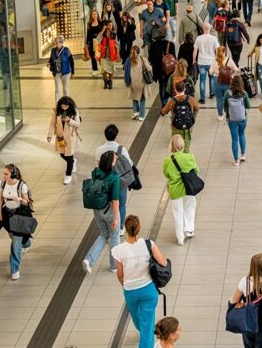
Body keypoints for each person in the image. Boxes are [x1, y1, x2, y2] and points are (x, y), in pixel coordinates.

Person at [112, 215, 168, 348]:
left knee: (138, 319)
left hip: (130, 291)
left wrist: (127, 285)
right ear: (139, 228)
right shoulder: (148, 244)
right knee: (146, 326)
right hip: (148, 290)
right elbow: (163, 262)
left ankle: (143, 330)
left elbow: (120, 275)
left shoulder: (119, 250)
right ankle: (145, 331)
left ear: (125, 229)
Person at [82, 151, 121, 275]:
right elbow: (115, 200)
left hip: (97, 209)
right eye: (114, 159)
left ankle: (89, 259)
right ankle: (114, 266)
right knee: (114, 236)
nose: (116, 161)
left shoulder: (95, 172)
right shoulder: (114, 177)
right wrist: (115, 218)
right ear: (111, 163)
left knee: (104, 235)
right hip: (109, 209)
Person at [0, 164, 32, 280]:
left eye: (6, 174)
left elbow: (27, 202)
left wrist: (20, 199)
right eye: (4, 173)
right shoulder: (2, 183)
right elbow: (1, 198)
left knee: (16, 243)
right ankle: (26, 243)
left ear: (13, 174)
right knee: (14, 238)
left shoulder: (22, 186)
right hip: (7, 215)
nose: (4, 176)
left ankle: (15, 269)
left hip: (19, 216)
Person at [96, 125, 134, 231]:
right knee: (121, 203)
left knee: (108, 203)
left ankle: (109, 224)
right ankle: (120, 227)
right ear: (116, 135)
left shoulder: (99, 150)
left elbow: (97, 165)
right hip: (120, 181)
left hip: (105, 182)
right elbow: (129, 163)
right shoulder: (121, 149)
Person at [163, 134, 199, 245]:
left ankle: (180, 238)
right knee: (189, 207)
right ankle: (189, 229)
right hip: (188, 188)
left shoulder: (168, 160)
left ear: (171, 146)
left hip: (175, 190)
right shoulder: (189, 157)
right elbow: (196, 170)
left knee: (177, 213)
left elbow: (166, 174)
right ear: (182, 144)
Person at [47, 96, 82, 185]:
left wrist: (69, 120)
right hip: (61, 137)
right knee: (62, 154)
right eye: (62, 106)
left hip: (70, 138)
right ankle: (73, 162)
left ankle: (68, 175)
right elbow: (52, 123)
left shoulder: (74, 111)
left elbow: (78, 124)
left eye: (66, 106)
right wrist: (49, 135)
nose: (64, 108)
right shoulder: (57, 111)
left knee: (69, 156)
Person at [161, 80, 199, 151]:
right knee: (186, 148)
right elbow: (197, 109)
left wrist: (163, 111)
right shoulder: (191, 99)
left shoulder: (172, 100)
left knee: (175, 148)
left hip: (175, 127)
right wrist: (193, 118)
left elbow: (164, 111)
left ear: (175, 89)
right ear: (184, 89)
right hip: (188, 127)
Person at [224, 75, 251, 166]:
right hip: (242, 118)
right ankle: (243, 155)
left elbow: (225, 107)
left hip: (232, 120)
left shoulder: (227, 94)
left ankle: (236, 160)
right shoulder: (244, 94)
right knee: (242, 134)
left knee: (234, 139)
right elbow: (248, 106)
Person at [212, 46, 239, 122]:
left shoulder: (215, 61)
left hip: (217, 82)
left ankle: (220, 116)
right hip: (227, 83)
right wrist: (231, 75)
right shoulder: (229, 60)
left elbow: (210, 72)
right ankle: (228, 114)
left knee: (219, 99)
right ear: (225, 52)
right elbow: (236, 70)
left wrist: (216, 72)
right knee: (228, 99)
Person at [149, 36, 176, 106]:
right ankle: (167, 100)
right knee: (168, 84)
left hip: (158, 69)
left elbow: (150, 58)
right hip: (169, 69)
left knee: (162, 85)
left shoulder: (153, 45)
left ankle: (163, 102)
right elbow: (174, 57)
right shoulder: (171, 44)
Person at [48, 36, 75, 101]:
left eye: (57, 42)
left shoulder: (66, 50)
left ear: (61, 43)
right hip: (56, 73)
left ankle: (66, 103)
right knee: (57, 90)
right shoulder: (53, 50)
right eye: (55, 42)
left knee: (65, 88)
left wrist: (73, 72)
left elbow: (71, 61)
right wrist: (49, 64)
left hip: (65, 72)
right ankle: (57, 105)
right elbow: (51, 59)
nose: (56, 44)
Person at [96, 24, 120, 89]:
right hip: (104, 54)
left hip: (112, 54)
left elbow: (117, 44)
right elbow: (98, 40)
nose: (110, 26)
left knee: (111, 69)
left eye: (111, 25)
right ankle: (105, 82)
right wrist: (103, 30)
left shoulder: (114, 34)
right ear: (106, 26)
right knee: (103, 70)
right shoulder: (102, 34)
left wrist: (118, 54)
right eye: (109, 25)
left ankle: (110, 82)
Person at [85, 9, 104, 75]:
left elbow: (103, 32)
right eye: (93, 14)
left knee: (100, 55)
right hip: (92, 41)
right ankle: (95, 69)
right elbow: (88, 34)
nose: (94, 15)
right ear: (91, 15)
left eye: (96, 14)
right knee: (93, 56)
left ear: (98, 15)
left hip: (99, 41)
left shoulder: (101, 22)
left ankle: (102, 68)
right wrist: (87, 43)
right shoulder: (89, 23)